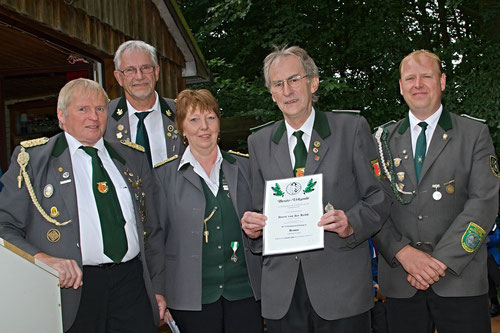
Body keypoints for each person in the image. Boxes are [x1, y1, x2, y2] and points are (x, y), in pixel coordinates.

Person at [240, 46, 390, 333]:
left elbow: (379, 197)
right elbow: (260, 209)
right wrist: (254, 229)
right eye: (278, 84)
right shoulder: (258, 142)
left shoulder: (351, 128)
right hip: (283, 294)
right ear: (271, 93)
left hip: (341, 289)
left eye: (294, 80)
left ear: (313, 82)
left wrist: (351, 223)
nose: (287, 90)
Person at [0, 78, 164, 332]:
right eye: (83, 109)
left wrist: (159, 287)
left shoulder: (131, 157)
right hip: (74, 291)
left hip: (132, 284)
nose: (94, 117)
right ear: (61, 116)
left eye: (100, 109)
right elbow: (4, 226)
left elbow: (153, 229)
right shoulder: (33, 160)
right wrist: (44, 260)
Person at [373, 49, 500, 333]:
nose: (418, 84)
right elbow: (373, 207)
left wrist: (437, 263)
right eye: (410, 78)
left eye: (426, 76)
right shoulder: (381, 141)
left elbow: (484, 204)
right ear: (401, 87)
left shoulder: (473, 134)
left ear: (442, 81)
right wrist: (404, 254)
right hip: (401, 281)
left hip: (460, 278)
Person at [154, 89, 263, 333]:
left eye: (210, 118)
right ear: (181, 128)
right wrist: (157, 291)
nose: (204, 127)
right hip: (190, 298)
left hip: (245, 292)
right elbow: (155, 239)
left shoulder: (245, 168)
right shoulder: (163, 177)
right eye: (194, 120)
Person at [105, 40, 180, 167]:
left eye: (145, 68)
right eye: (130, 70)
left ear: (156, 72)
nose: (139, 76)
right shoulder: (104, 116)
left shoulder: (181, 112)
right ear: (118, 77)